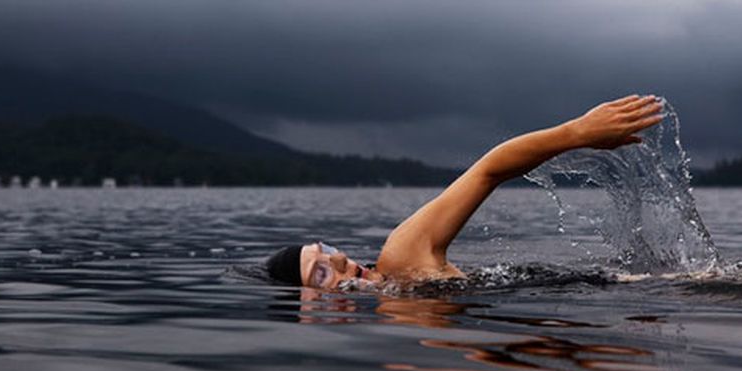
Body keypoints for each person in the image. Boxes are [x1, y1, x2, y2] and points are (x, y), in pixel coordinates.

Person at [266, 94, 665, 289]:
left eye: (329, 252)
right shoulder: (398, 318)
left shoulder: (402, 257)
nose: (339, 263)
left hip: (636, 289)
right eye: (319, 272)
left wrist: (576, 133)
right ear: (309, 307)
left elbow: (487, 171)